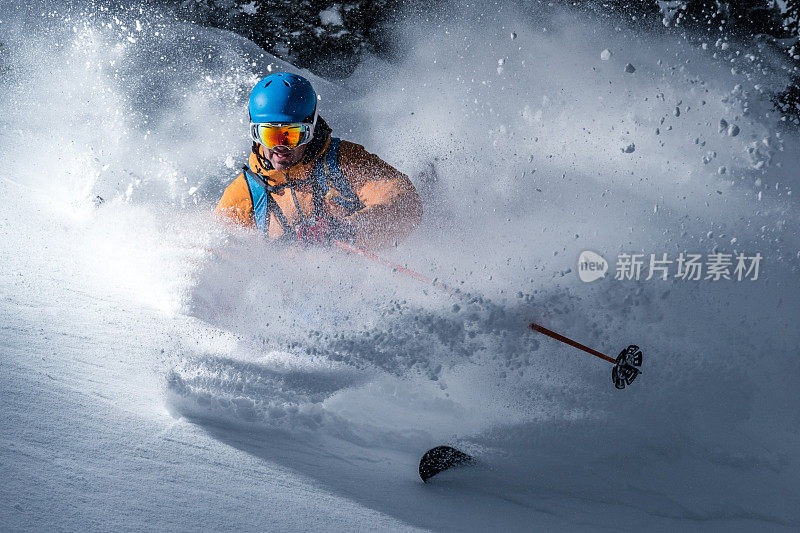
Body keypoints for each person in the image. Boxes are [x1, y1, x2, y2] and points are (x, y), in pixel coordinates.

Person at [216, 72, 422, 250]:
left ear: (311, 129)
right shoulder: (247, 192)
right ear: (255, 134)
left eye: (292, 135)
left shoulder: (344, 162)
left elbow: (407, 203)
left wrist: (348, 229)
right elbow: (219, 245)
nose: (281, 147)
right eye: (270, 135)